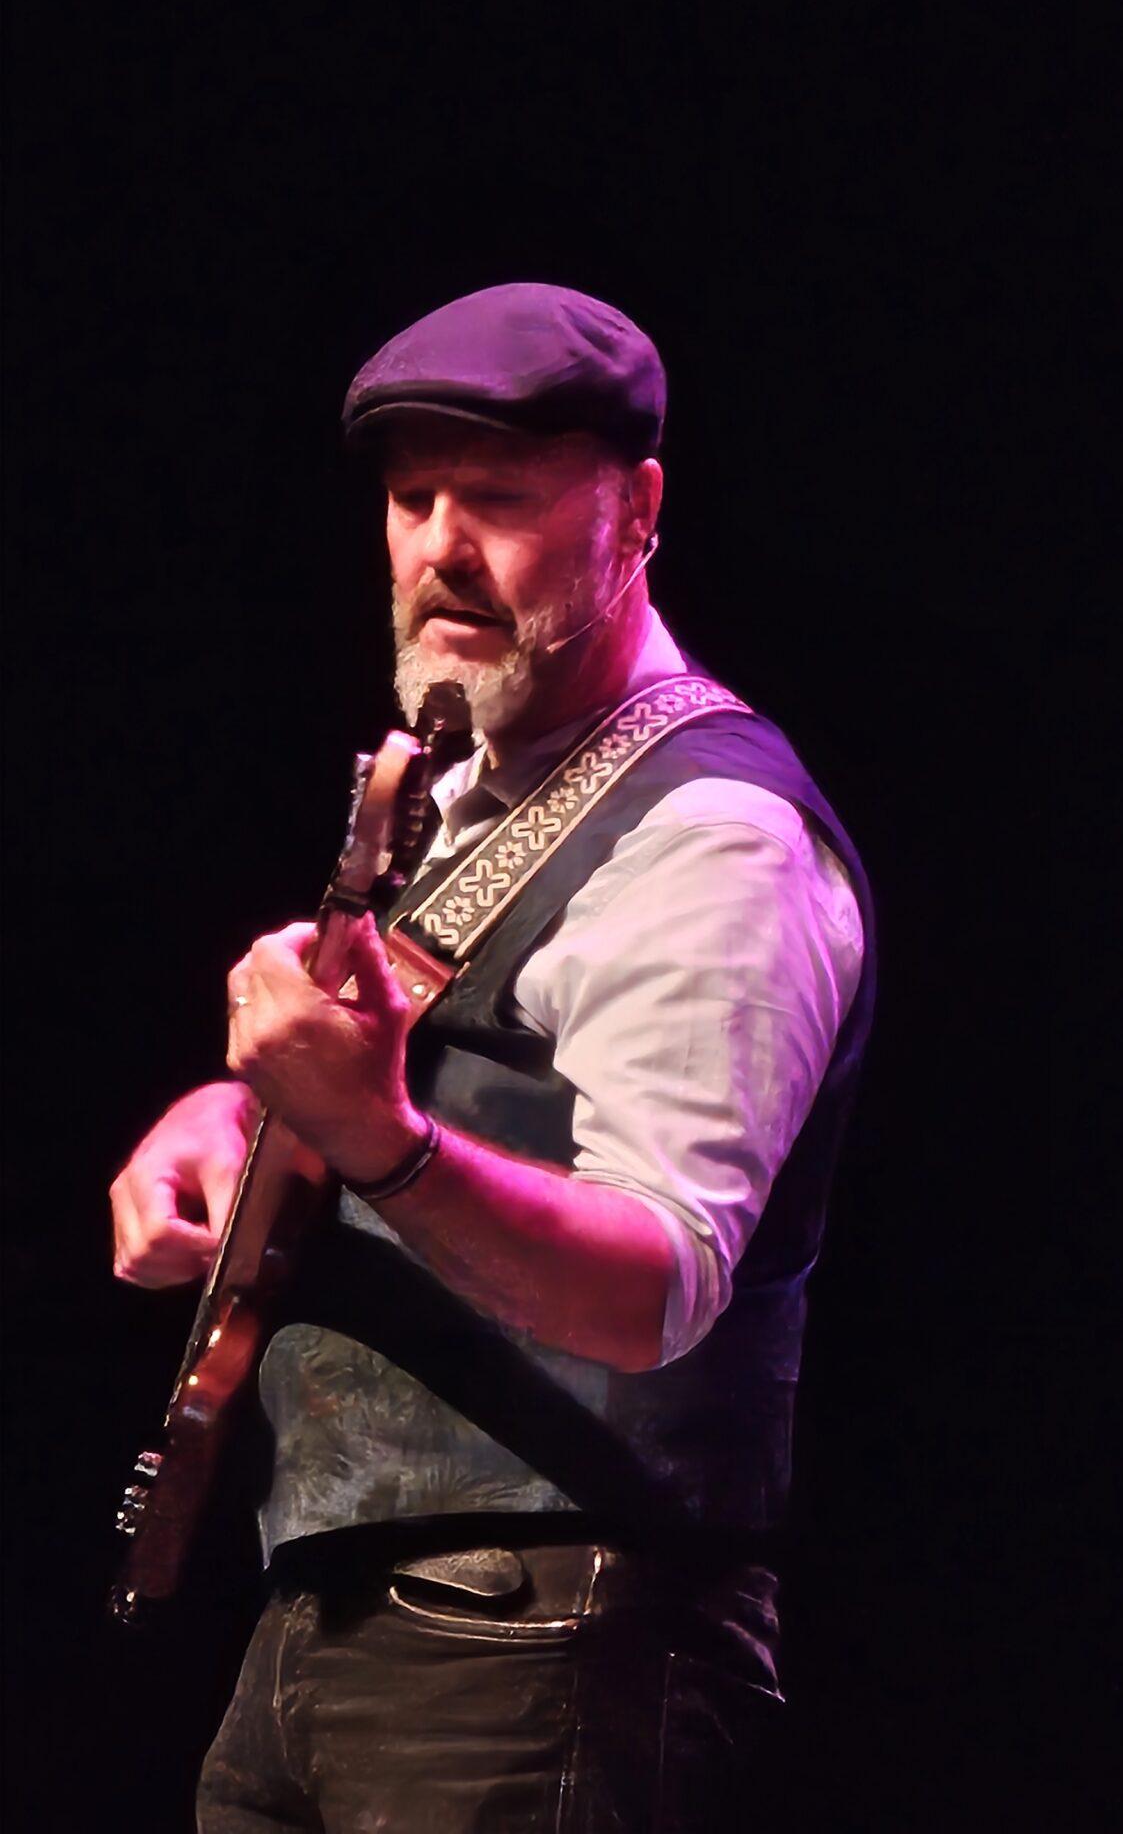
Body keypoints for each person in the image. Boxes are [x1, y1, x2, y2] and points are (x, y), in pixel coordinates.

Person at [105, 282, 874, 1832]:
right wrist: (234, 1119)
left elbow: (655, 1282)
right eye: (410, 499)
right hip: (348, 1619)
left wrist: (378, 1138)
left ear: (637, 509)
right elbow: (401, 1076)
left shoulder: (711, 836)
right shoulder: (482, 781)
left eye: (501, 500)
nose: (439, 545)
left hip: (548, 1640)